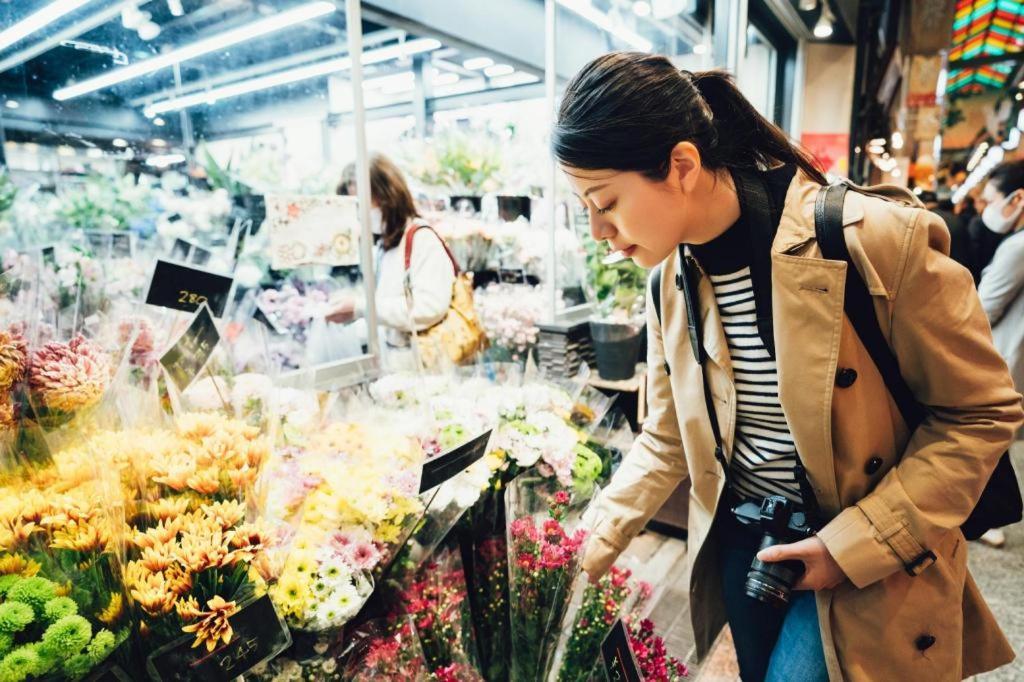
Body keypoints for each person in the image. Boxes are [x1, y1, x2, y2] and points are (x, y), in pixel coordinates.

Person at [553, 52, 1022, 682]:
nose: (597, 230)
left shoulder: (869, 240)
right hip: (747, 549)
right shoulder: (671, 276)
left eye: (603, 201)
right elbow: (668, 435)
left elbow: (980, 412)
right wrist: (585, 543)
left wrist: (850, 544)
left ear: (682, 165)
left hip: (862, 551)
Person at [331, 153, 455, 366]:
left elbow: (429, 307)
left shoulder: (421, 239)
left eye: (362, 204)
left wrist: (362, 308)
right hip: (397, 364)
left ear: (387, 197)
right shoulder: (385, 244)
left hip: (425, 368)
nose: (360, 213)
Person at [974, 159, 1024, 549]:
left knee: (984, 441)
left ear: (1017, 199)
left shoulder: (1018, 247)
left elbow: (981, 308)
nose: (983, 208)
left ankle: (982, 514)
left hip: (1002, 360)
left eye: (989, 199)